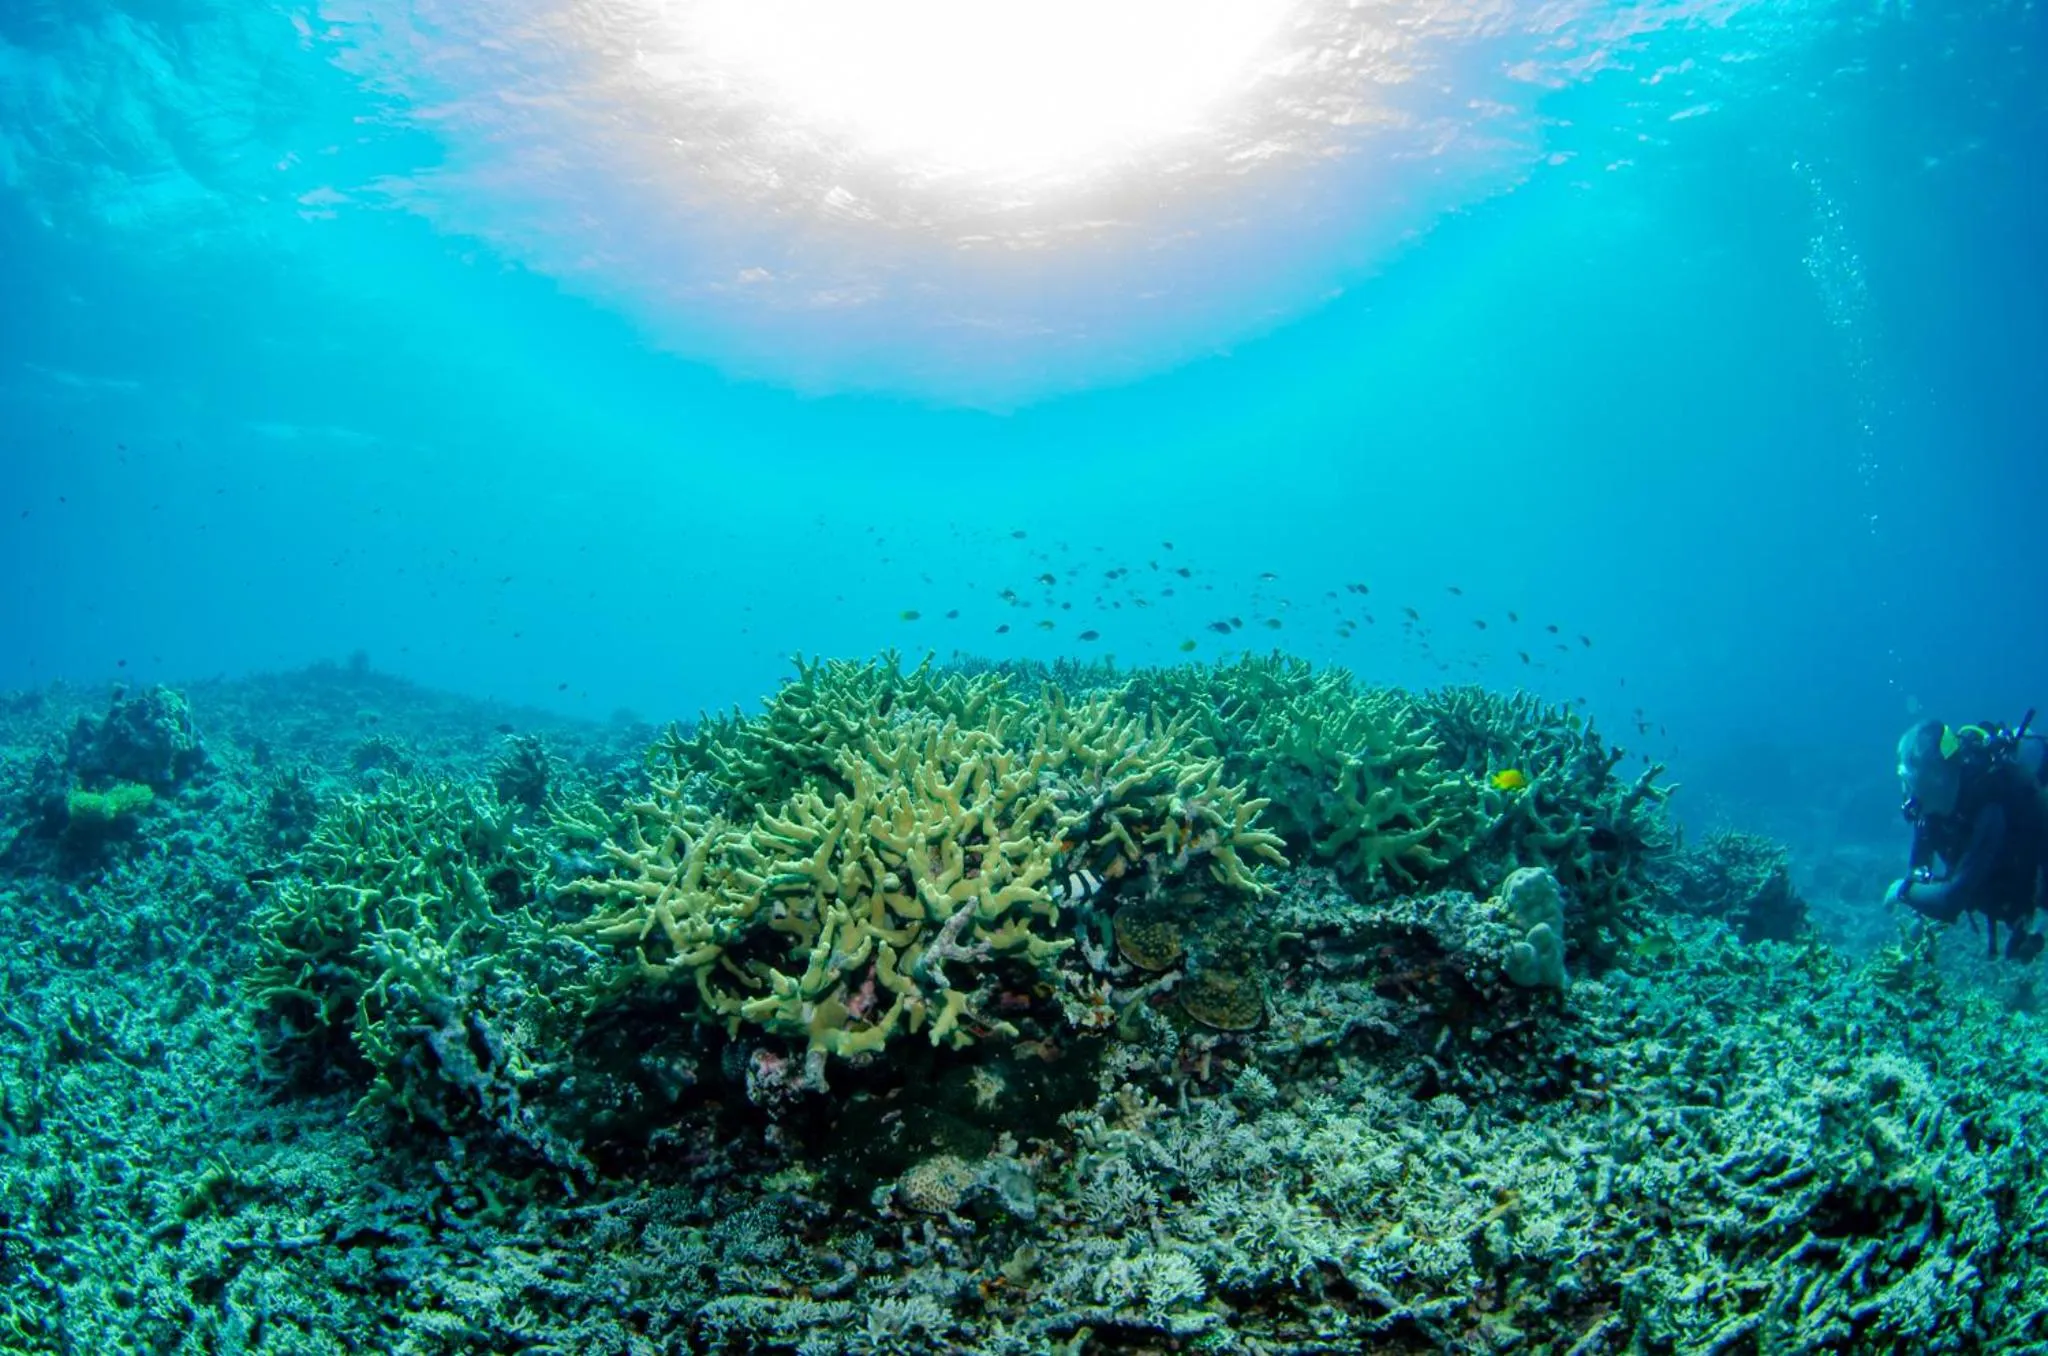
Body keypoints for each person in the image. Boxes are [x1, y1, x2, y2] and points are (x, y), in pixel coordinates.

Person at [1887, 711, 2048, 961]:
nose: (1906, 789)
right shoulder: (1930, 805)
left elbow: (1951, 900)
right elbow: (1919, 866)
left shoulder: (1989, 804)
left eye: (1909, 777)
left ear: (1936, 776)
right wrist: (1917, 918)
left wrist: (1901, 891)